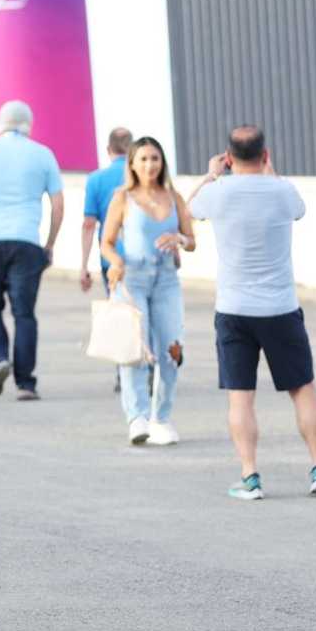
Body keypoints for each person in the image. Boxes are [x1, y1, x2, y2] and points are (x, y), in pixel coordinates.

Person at [186, 126, 316, 500]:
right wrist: (270, 170)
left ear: (228, 157)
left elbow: (186, 208)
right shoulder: (282, 190)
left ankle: (250, 476)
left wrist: (212, 174)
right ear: (265, 155)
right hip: (280, 307)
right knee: (302, 388)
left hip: (234, 309)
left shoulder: (217, 192)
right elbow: (298, 209)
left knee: (240, 396)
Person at [0, 100, 64, 401]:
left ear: (0, 122)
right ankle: (25, 384)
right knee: (24, 313)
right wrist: (50, 243)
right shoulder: (43, 154)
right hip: (27, 241)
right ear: (28, 123)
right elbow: (58, 204)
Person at [100, 138, 195, 446]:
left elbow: (192, 240)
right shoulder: (123, 198)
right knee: (135, 352)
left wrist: (179, 238)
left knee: (171, 349)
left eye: (155, 158)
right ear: (132, 164)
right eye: (143, 159)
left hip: (167, 279)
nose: (150, 165)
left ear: (162, 162)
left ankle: (161, 418)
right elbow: (107, 242)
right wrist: (114, 262)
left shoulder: (173, 196)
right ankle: (137, 417)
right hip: (133, 279)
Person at [82, 127, 133, 393]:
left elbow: (89, 224)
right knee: (146, 312)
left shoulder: (96, 179)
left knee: (122, 315)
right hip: (143, 257)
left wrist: (84, 265)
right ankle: (151, 365)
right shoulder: (143, 176)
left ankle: (124, 372)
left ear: (108, 149)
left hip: (111, 260)